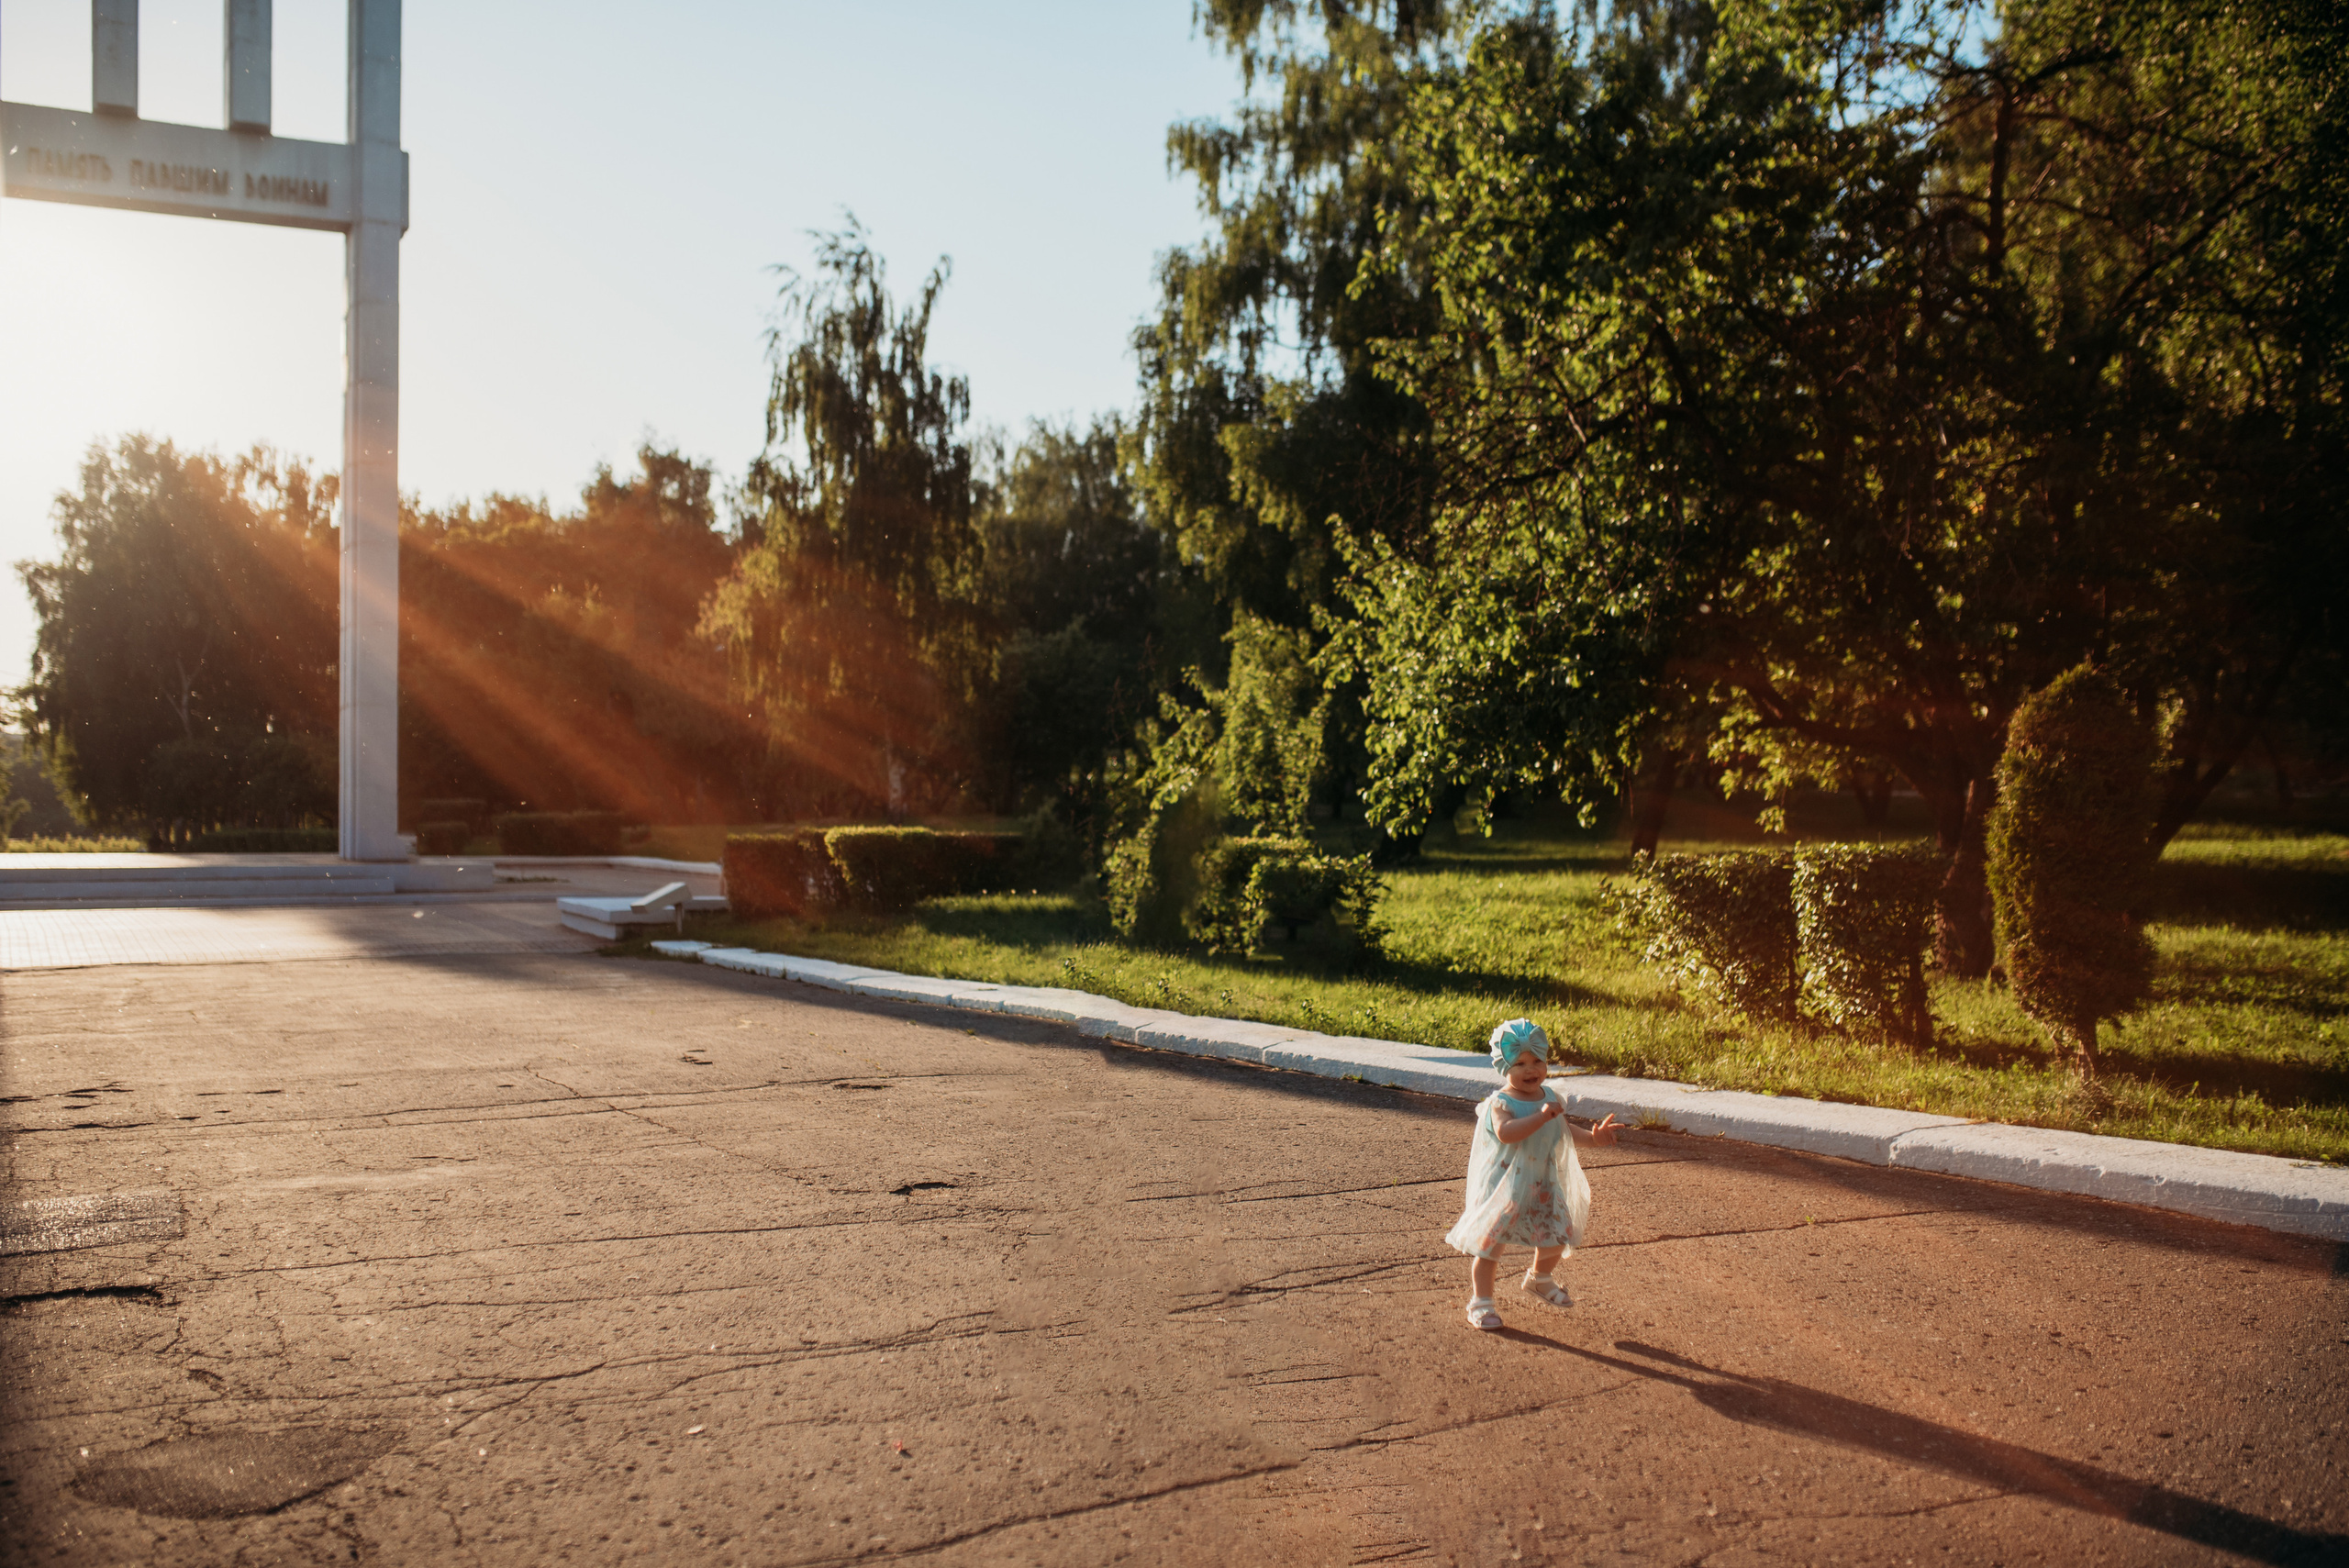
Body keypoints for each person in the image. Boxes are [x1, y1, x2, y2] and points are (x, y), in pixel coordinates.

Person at [1444, 1018, 1620, 1330]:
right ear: (1504, 1067)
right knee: (1491, 1245)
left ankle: (1540, 1278)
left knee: (1556, 1235)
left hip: (1541, 1184)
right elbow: (1506, 1133)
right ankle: (1481, 1302)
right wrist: (1539, 1118)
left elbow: (1562, 1130)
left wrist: (1594, 1138)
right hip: (1504, 1186)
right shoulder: (1499, 1103)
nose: (1531, 1070)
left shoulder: (1549, 1098)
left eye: (1538, 1061)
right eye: (1521, 1063)